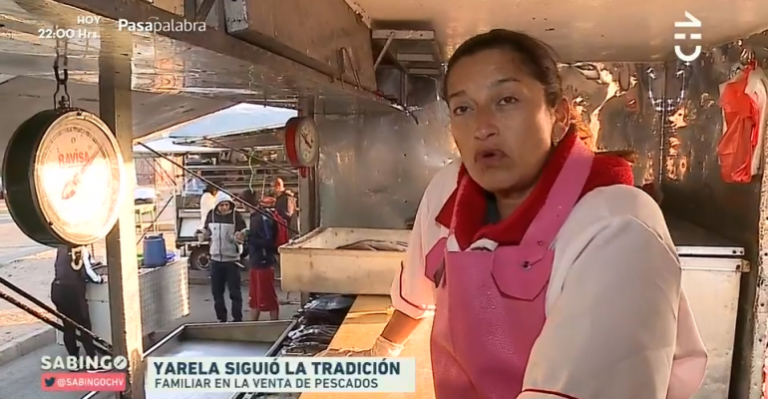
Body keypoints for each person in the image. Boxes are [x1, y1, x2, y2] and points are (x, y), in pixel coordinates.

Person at [321, 29, 707, 399]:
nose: (483, 127)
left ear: (558, 114)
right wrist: (378, 354)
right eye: (463, 107)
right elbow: (416, 294)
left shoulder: (618, 228)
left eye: (507, 100)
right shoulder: (448, 192)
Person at [51, 246, 104, 359]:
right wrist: (99, 279)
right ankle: (92, 362)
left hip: (57, 289)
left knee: (68, 327)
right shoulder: (81, 249)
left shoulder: (61, 248)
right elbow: (87, 272)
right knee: (84, 326)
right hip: (72, 291)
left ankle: (73, 361)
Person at [201, 192, 247, 322]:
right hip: (215, 260)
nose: (224, 208)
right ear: (217, 206)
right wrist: (202, 233)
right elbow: (207, 230)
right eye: (221, 205)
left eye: (227, 205)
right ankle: (221, 318)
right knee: (217, 293)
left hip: (232, 261)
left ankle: (237, 318)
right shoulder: (211, 215)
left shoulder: (236, 216)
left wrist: (240, 236)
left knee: (235, 292)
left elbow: (244, 231)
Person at [247, 197, 288, 321]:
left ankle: (274, 325)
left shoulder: (261, 218)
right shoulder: (256, 216)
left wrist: (248, 238)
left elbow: (268, 241)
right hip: (255, 262)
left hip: (263, 262)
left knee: (269, 299)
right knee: (254, 299)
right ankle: (252, 327)